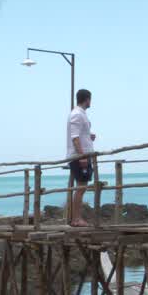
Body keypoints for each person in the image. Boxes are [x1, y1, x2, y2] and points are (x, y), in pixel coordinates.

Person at [66, 88, 97, 227]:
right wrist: (82, 156)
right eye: (90, 99)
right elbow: (75, 137)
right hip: (79, 156)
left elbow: (80, 135)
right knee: (81, 187)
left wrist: (89, 136)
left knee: (82, 187)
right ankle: (76, 219)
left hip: (83, 155)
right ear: (87, 99)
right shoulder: (77, 114)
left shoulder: (81, 114)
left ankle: (77, 218)